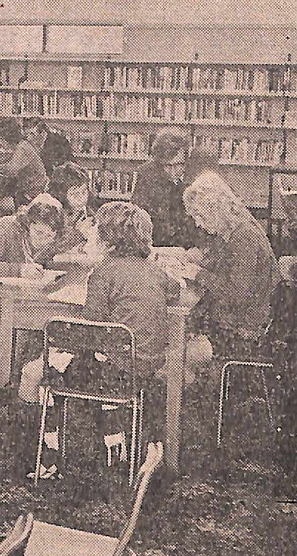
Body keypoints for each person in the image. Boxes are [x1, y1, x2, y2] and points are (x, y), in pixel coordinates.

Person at [18, 202, 180, 477]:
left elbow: (90, 330)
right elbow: (174, 291)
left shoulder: (103, 273)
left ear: (107, 241)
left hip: (110, 372)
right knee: (60, 361)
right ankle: (115, 442)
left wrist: (60, 344)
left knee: (37, 373)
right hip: (142, 369)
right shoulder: (153, 271)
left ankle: (44, 456)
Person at [183, 172, 281, 361]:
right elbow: (223, 266)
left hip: (245, 325)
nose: (197, 223)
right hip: (245, 315)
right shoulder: (233, 230)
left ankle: (196, 383)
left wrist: (199, 274)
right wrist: (196, 263)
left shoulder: (243, 238)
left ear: (216, 210)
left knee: (182, 341)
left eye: (200, 215)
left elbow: (236, 295)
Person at [0, 193, 65, 333]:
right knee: (34, 325)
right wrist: (20, 270)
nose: (43, 241)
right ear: (28, 223)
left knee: (48, 319)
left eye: (49, 236)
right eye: (39, 233)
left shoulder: (39, 238)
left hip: (16, 302)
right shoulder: (4, 228)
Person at [130, 127, 194, 247]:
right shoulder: (147, 175)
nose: (173, 171)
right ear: (159, 162)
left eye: (179, 164)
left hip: (186, 246)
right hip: (156, 243)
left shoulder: (193, 174)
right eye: (167, 166)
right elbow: (139, 216)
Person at [41, 160, 95, 260]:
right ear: (62, 195)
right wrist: (79, 233)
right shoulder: (54, 215)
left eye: (84, 192)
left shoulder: (89, 213)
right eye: (75, 194)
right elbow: (47, 251)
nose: (81, 198)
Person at [0, 117, 49, 209]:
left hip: (32, 195)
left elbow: (12, 170)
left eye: (0, 139)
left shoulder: (22, 148)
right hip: (31, 191)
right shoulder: (23, 145)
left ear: (7, 137)